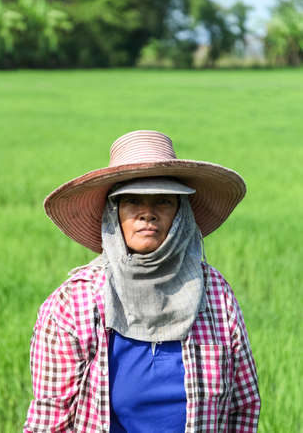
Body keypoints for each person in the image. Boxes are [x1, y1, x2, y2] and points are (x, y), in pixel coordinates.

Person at [24, 130, 261, 433]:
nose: (147, 214)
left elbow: (244, 404)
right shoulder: (73, 303)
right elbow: (49, 420)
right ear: (114, 213)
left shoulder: (214, 292)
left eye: (163, 201)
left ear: (181, 214)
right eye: (132, 201)